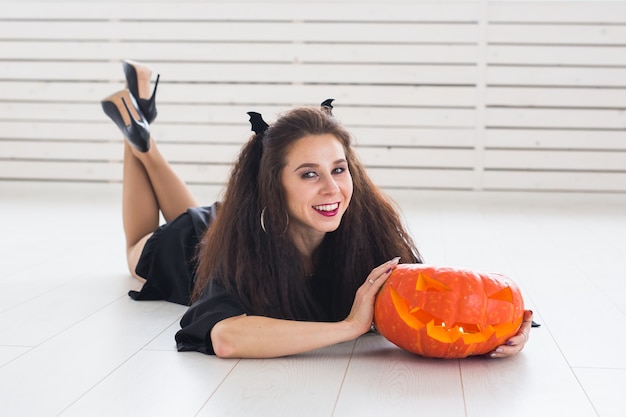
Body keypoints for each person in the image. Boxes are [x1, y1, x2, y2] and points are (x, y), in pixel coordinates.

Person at [101, 60, 534, 359]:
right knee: (136, 250)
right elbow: (227, 338)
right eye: (309, 174)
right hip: (194, 243)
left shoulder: (366, 227)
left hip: (228, 220)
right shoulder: (244, 254)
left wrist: (507, 327)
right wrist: (347, 327)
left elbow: (437, 297)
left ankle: (138, 124)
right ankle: (135, 137)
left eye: (338, 169)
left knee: (200, 216)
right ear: (273, 185)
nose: (333, 189)